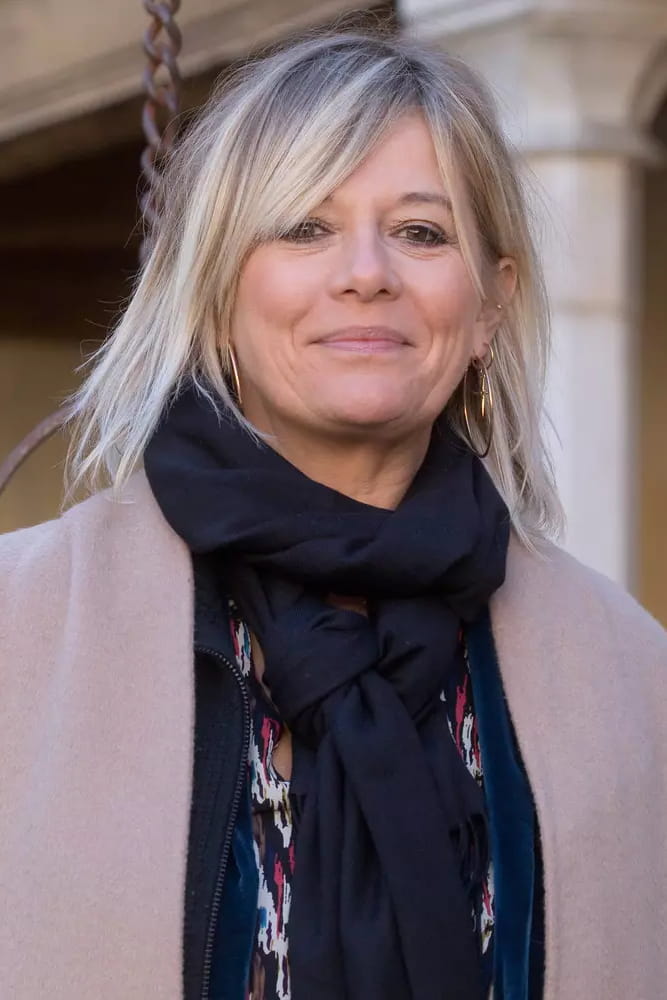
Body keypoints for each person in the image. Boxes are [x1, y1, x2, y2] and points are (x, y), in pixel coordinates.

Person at [0, 30, 665, 1000]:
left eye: (421, 233)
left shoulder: (630, 675)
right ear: (214, 290)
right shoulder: (18, 629)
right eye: (304, 227)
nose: (365, 272)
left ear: (490, 306)